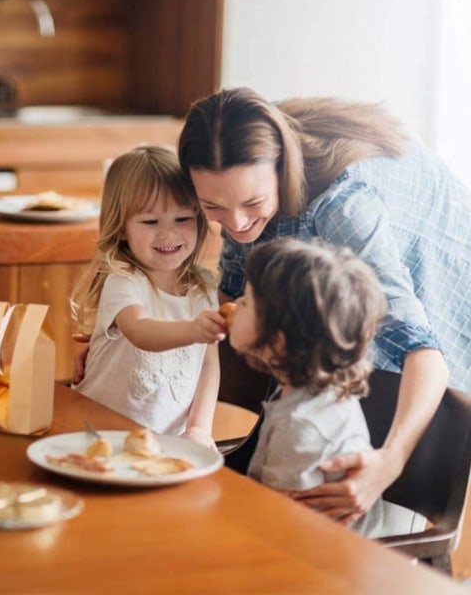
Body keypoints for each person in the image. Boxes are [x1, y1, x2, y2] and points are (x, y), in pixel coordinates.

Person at [178, 86, 470, 525]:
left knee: (390, 396)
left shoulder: (342, 207)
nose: (236, 224)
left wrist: (386, 465)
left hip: (437, 245)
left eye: (252, 204)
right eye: (213, 208)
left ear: (282, 169)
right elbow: (226, 304)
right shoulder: (243, 203)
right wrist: (136, 340)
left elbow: (426, 354)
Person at [228, 237, 426, 537]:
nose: (234, 304)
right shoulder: (310, 394)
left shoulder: (302, 427)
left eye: (246, 301)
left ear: (278, 341)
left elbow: (277, 528)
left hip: (319, 568)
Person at [70, 145, 227, 448]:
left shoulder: (203, 286)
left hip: (163, 442)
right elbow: (140, 331)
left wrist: (199, 428)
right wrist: (194, 330)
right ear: (122, 228)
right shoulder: (125, 278)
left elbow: (209, 365)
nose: (168, 234)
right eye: (151, 222)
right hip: (97, 433)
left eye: (183, 219)